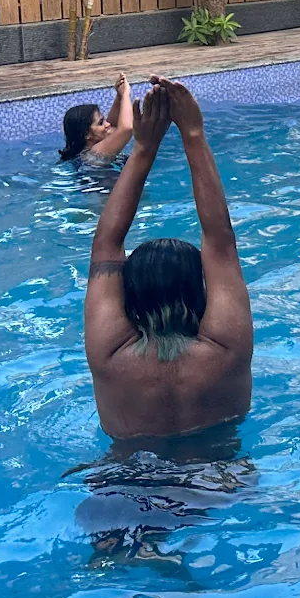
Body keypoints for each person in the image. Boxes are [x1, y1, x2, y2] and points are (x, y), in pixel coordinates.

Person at [84, 78, 253, 441]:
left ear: (127, 295)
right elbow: (220, 243)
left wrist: (143, 148)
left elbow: (106, 245)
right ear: (201, 292)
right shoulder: (226, 350)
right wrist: (193, 134)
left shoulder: (110, 355)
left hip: (126, 486)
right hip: (219, 485)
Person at [60, 72, 136, 163]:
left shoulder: (85, 152)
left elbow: (114, 127)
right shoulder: (95, 153)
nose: (107, 124)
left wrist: (119, 96)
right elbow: (126, 129)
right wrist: (126, 94)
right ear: (86, 134)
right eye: (101, 123)